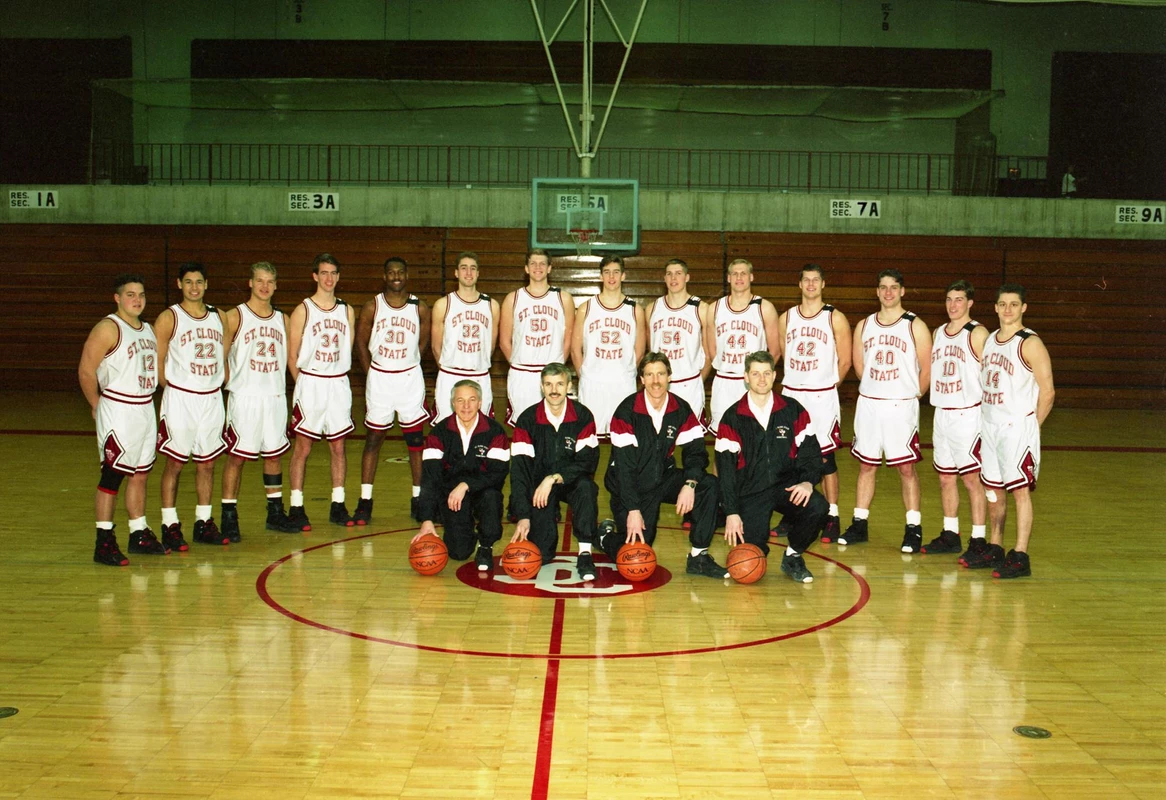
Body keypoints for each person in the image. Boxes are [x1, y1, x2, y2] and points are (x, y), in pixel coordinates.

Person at [602, 352, 727, 579]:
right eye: (649, 375)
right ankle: (604, 538)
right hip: (630, 483)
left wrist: (690, 483)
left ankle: (699, 556)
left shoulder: (680, 408)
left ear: (669, 376)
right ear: (641, 379)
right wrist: (633, 509)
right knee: (638, 549)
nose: (655, 380)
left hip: (663, 477)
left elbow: (696, 453)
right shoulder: (626, 412)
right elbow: (624, 468)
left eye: (660, 374)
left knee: (708, 484)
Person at [964, 284, 1054, 579]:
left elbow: (1048, 392)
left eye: (1014, 305)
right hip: (990, 424)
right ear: (995, 307)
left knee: (1019, 491)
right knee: (993, 488)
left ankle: (1021, 554)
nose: (1007, 310)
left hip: (1016, 426)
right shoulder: (990, 340)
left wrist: (1031, 427)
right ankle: (995, 546)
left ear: (1024, 308)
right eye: (1002, 304)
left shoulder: (1030, 343)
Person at [842, 269, 933, 552]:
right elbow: (859, 365)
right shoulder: (865, 324)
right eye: (883, 287)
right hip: (869, 403)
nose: (888, 292)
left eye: (894, 287)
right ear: (877, 291)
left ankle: (913, 528)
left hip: (900, 405)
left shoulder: (914, 325)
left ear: (902, 291)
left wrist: (911, 395)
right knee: (866, 465)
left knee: (906, 468)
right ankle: (859, 523)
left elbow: (927, 368)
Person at [716, 351, 827, 584]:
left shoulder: (792, 409)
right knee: (750, 557)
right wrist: (732, 512)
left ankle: (793, 556)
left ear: (775, 375)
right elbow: (725, 472)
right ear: (746, 377)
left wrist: (808, 481)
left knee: (818, 506)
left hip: (786, 487)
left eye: (767, 373)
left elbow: (811, 453)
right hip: (750, 492)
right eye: (755, 374)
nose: (762, 379)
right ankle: (755, 540)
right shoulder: (732, 417)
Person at [78, 273, 166, 565]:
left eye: (141, 294)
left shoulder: (148, 329)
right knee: (112, 476)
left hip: (143, 407)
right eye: (130, 294)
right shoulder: (107, 328)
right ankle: (103, 541)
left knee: (140, 473)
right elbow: (86, 370)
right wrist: (95, 405)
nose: (137, 299)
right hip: (118, 407)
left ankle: (138, 532)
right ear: (117, 298)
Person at [219, 262, 299, 539]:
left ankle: (275, 512)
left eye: (270, 282)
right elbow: (222, 355)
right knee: (237, 458)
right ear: (250, 283)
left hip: (275, 396)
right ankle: (229, 516)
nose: (265, 286)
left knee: (274, 455)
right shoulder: (234, 316)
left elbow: (290, 359)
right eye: (260, 281)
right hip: (245, 397)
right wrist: (230, 382)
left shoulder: (283, 319)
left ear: (276, 286)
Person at [774, 263, 851, 544]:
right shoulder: (787, 318)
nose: (810, 285)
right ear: (799, 284)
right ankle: (793, 512)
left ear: (823, 284)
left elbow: (845, 361)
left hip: (821, 396)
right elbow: (783, 354)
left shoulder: (835, 317)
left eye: (815, 280)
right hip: (793, 394)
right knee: (790, 457)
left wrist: (827, 387)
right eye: (805, 280)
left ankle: (831, 516)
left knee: (824, 459)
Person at [153, 262, 229, 548]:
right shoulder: (169, 317)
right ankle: (169, 524)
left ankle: (204, 521)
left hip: (210, 398)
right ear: (179, 284)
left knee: (207, 464)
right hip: (181, 398)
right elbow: (159, 362)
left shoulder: (218, 316)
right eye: (188, 282)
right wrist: (172, 390)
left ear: (207, 284)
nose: (194, 287)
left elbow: (224, 355)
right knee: (175, 463)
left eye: (199, 281)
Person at [355, 257, 431, 524]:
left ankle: (418, 498)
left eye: (400, 272)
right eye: (391, 272)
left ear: (407, 275)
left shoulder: (419, 307)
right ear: (384, 276)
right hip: (380, 379)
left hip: (409, 378)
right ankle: (365, 501)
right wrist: (372, 373)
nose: (396, 276)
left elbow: (422, 343)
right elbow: (361, 343)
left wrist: (407, 364)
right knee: (373, 440)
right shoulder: (372, 306)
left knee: (415, 442)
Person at [287, 253, 357, 530]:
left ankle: (338, 505)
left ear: (338, 277)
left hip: (338, 382)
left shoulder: (346, 310)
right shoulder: (303, 309)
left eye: (334, 273)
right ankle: (296, 506)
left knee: (338, 446)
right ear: (315, 276)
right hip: (311, 381)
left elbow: (347, 349)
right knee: (303, 447)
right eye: (324, 273)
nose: (329, 278)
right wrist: (303, 384)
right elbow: (292, 355)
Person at [508, 363, 600, 576]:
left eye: (560, 383)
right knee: (542, 553)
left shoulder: (583, 416)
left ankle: (585, 552)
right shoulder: (527, 420)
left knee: (587, 487)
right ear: (542, 387)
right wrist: (523, 515)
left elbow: (588, 462)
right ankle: (544, 534)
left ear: (569, 386)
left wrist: (555, 477)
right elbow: (519, 472)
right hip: (540, 488)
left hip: (570, 481)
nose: (554, 390)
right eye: (548, 384)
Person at [921, 280, 989, 556]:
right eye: (949, 299)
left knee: (972, 479)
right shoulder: (938, 332)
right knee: (946, 477)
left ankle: (979, 539)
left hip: (968, 413)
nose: (953, 304)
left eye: (959, 299)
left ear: (970, 302)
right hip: (942, 412)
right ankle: (951, 533)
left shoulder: (978, 333)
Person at [413, 380, 510, 571]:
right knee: (458, 553)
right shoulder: (438, 433)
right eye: (460, 400)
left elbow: (498, 474)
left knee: (492, 497)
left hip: (483, 491)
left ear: (480, 402)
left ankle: (485, 545)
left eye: (472, 400)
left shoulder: (495, 432)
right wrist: (426, 519)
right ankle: (465, 530)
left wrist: (466, 485)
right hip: (452, 497)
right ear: (453, 403)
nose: (466, 406)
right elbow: (430, 477)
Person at [571, 255, 646, 436]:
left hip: (622, 384)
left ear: (623, 276)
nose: (611, 277)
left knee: (624, 440)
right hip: (592, 384)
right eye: (607, 272)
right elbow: (575, 349)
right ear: (600, 276)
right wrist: (587, 375)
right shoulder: (586, 308)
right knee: (588, 440)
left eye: (616, 272)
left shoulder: (635, 309)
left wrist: (625, 373)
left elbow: (640, 350)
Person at [499, 249, 575, 424]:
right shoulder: (513, 298)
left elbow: (568, 339)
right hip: (522, 373)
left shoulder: (563, 298)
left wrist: (557, 367)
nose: (537, 267)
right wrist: (520, 364)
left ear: (549, 268)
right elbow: (504, 341)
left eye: (542, 263)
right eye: (533, 263)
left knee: (554, 426)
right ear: (526, 268)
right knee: (524, 427)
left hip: (552, 374)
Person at [705, 258, 779, 432]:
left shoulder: (764, 308)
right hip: (724, 381)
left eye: (743, 273)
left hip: (753, 382)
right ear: (728, 278)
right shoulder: (714, 308)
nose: (739, 277)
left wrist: (759, 378)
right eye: (735, 274)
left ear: (751, 277)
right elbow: (712, 351)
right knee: (723, 442)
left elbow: (774, 352)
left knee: (755, 439)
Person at [431, 252, 499, 420]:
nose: (468, 273)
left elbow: (490, 346)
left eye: (473, 268)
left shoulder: (491, 305)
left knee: (481, 431)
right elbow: (435, 347)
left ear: (478, 273)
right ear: (456, 273)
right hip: (450, 374)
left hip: (479, 374)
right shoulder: (443, 304)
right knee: (447, 431)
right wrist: (451, 370)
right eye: (464, 268)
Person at [647, 258, 711, 424]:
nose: (673, 278)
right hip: (658, 385)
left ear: (687, 277)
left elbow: (709, 353)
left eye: (678, 274)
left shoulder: (701, 308)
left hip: (689, 385)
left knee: (691, 442)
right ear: (664, 278)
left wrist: (696, 380)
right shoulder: (652, 308)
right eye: (669, 274)